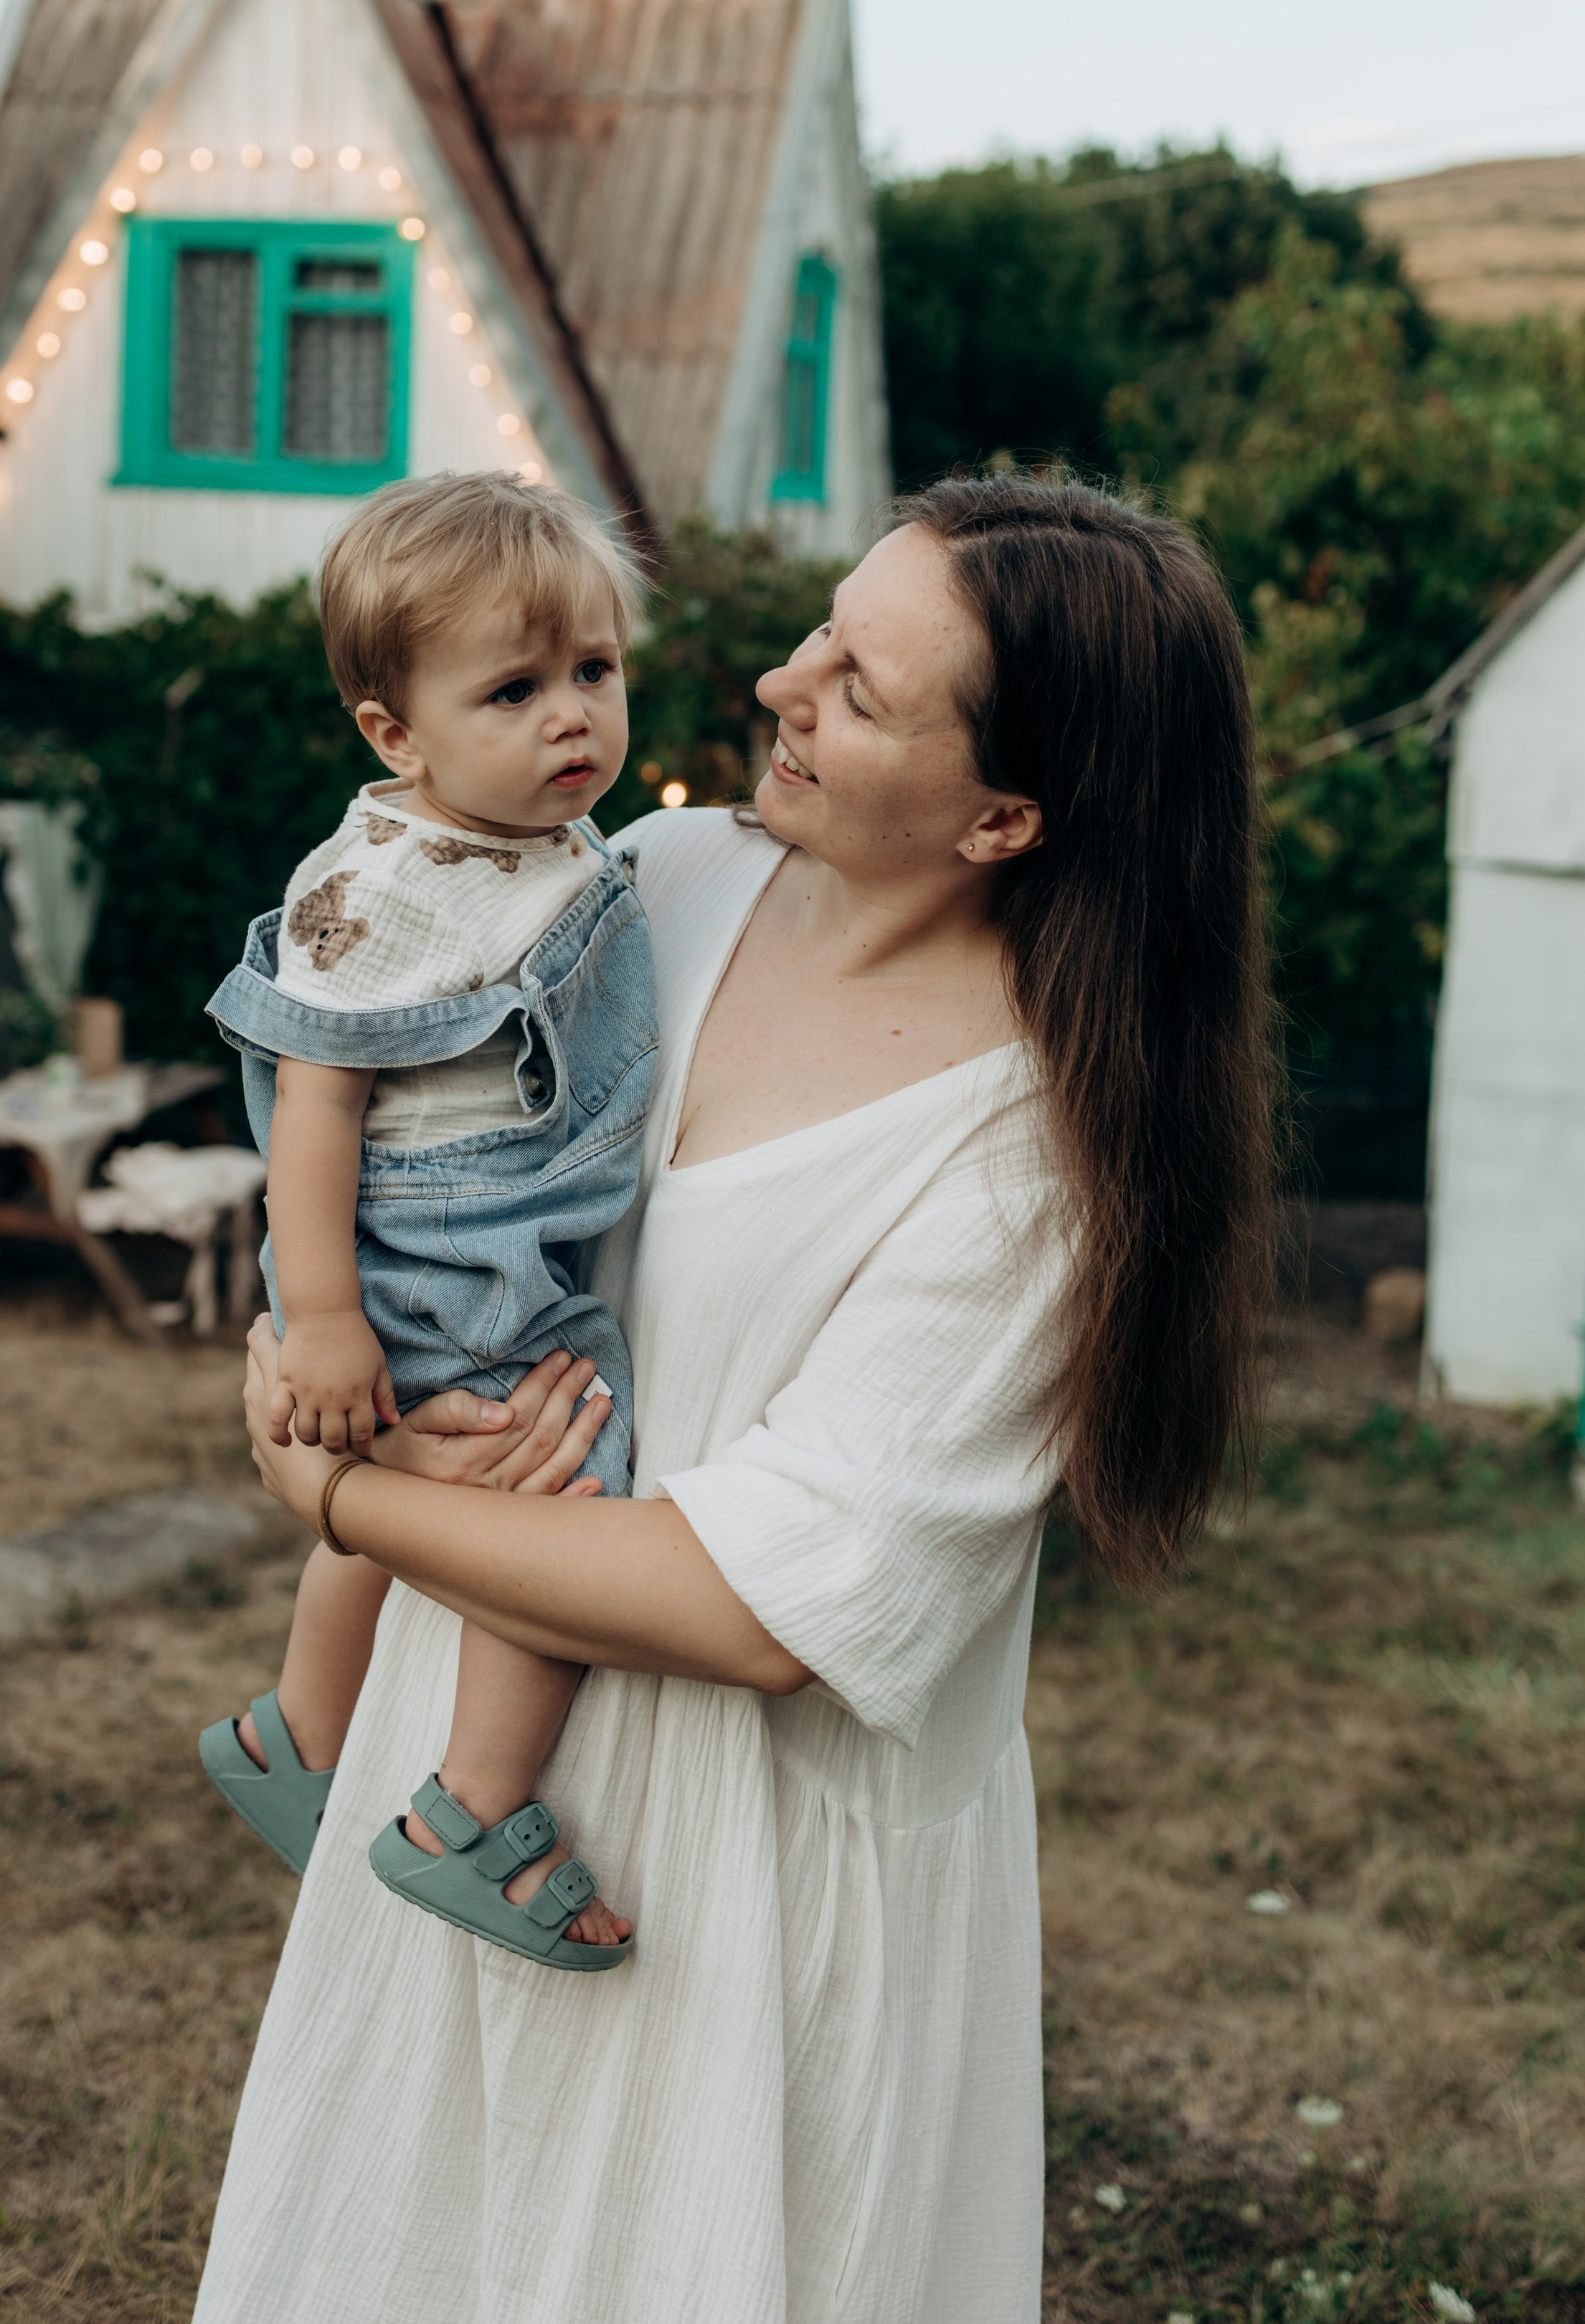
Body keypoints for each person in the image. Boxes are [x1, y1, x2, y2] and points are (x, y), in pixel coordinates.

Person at [191, 473, 1273, 2324]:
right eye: (821, 631)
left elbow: (758, 1609)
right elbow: (388, 1126)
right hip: (467, 1756)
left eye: (859, 685)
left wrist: (343, 1508)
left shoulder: (1033, 1159)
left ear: (1006, 814)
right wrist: (329, 1343)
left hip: (746, 1881)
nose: (781, 680)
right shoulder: (646, 885)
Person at [197, 470, 654, 1964]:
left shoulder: (540, 834)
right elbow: (313, 1107)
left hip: (489, 1212)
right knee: (557, 1504)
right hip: (444, 1235)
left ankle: (297, 1735)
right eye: (513, 690)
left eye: (593, 671)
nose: (570, 718)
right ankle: (472, 1809)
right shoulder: (382, 886)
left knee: (397, 1527)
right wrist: (320, 1317)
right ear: (394, 734)